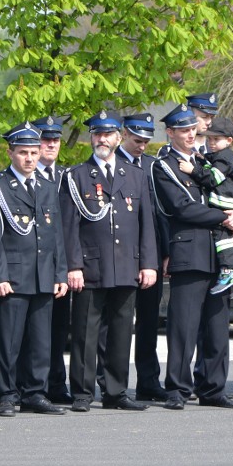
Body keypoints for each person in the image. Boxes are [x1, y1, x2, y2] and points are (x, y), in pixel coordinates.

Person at [60, 111, 157, 412]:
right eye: (97, 134)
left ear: (119, 137)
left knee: (120, 331)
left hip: (127, 265)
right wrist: (73, 265)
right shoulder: (76, 176)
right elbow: (69, 226)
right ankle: (82, 392)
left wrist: (149, 263)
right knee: (85, 333)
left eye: (108, 134)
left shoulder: (136, 176)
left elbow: (146, 224)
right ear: (91, 138)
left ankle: (116, 392)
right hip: (90, 266)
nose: (102, 139)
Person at [152, 104, 233, 410]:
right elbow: (182, 208)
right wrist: (223, 217)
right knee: (184, 327)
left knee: (217, 328)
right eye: (183, 130)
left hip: (219, 254)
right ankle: (177, 390)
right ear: (170, 133)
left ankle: (213, 388)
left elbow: (231, 192)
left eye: (193, 129)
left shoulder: (206, 161)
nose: (191, 135)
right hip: (189, 252)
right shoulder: (165, 164)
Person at [0, 122, 68, 416]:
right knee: (9, 341)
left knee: (41, 341)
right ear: (10, 153)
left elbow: (55, 234)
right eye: (23, 153)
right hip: (14, 276)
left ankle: (35, 392)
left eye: (34, 152)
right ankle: (6, 394)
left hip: (43, 274)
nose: (30, 158)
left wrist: (60, 274)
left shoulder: (46, 186)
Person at [117, 113, 170, 402]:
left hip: (151, 255)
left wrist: (165, 253)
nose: (142, 146)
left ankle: (149, 381)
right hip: (121, 256)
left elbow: (161, 213)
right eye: (137, 140)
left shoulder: (152, 166)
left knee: (149, 322)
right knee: (118, 324)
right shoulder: (112, 164)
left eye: (146, 142)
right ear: (124, 134)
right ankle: (115, 383)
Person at [178, 117, 233, 298]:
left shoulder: (224, 156)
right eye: (210, 139)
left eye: (216, 139)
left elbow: (213, 178)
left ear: (229, 141)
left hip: (226, 202)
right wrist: (202, 159)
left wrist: (193, 170)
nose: (211, 143)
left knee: (221, 235)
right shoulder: (221, 156)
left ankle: (228, 271)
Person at [32, 115, 73, 405]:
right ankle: (32, 385)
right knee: (33, 331)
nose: (51, 145)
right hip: (33, 264)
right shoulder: (24, 175)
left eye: (55, 140)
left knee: (58, 329)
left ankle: (56, 384)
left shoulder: (67, 177)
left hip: (61, 265)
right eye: (45, 139)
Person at [157, 91, 217, 157]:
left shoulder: (216, 147)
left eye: (212, 117)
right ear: (190, 115)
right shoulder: (168, 150)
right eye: (204, 117)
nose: (209, 122)